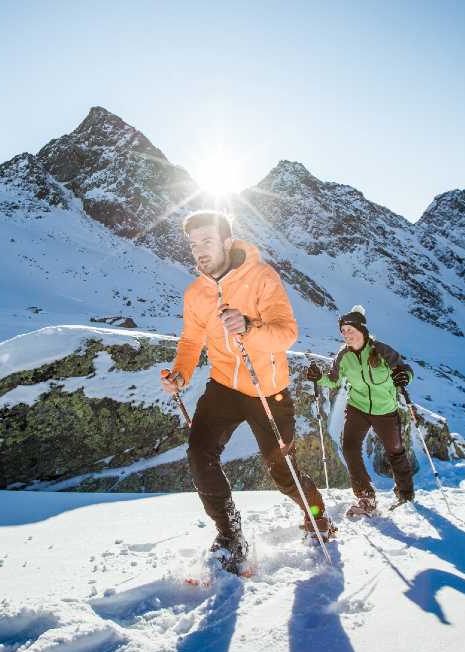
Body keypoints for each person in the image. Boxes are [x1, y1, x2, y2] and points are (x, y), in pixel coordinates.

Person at [161, 210, 333, 572]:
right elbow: (192, 340)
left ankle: (316, 515)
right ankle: (229, 534)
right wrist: (180, 374)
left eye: (207, 242)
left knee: (282, 471)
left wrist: (250, 325)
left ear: (226, 241)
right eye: (194, 245)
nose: (199, 251)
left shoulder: (261, 277)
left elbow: (287, 333)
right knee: (199, 452)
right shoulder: (196, 294)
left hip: (268, 389)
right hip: (224, 385)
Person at [306, 305, 415, 517]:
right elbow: (333, 380)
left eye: (349, 329)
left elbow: (405, 370)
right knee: (349, 447)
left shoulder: (381, 350)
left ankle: (405, 494)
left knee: (395, 451)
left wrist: (404, 377)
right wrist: (318, 377)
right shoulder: (343, 356)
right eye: (343, 331)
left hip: (385, 409)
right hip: (358, 407)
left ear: (362, 330)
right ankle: (365, 496)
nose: (346, 334)